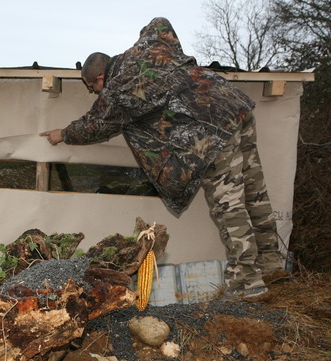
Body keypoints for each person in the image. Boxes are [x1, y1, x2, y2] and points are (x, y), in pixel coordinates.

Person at [40, 17, 283, 298]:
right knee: (254, 191)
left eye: (91, 88)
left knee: (228, 205)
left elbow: (96, 124)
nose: (94, 93)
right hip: (233, 105)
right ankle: (272, 265)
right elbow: (160, 23)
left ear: (100, 78)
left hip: (210, 133)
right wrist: (143, 44)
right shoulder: (147, 46)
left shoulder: (118, 89)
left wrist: (63, 134)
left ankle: (246, 283)